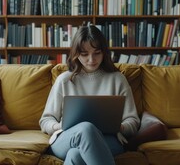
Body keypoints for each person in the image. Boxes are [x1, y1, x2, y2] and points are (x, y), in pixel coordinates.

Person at [39, 24, 140, 165]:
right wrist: (58, 126)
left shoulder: (117, 79)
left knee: (75, 155)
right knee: (86, 129)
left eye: (97, 53)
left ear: (104, 52)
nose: (91, 60)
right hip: (68, 138)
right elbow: (45, 120)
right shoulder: (64, 80)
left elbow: (133, 121)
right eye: (84, 54)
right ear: (76, 54)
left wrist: (120, 126)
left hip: (108, 139)